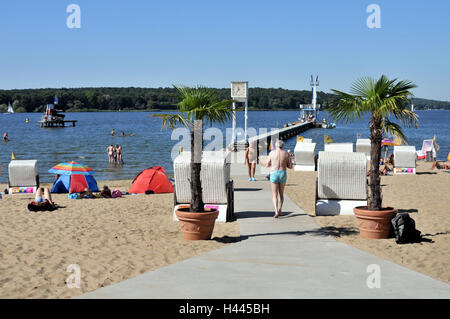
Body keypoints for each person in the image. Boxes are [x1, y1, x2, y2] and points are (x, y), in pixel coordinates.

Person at [266, 140, 293, 218]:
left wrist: (272, 164)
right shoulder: (286, 154)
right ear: (283, 146)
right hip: (282, 173)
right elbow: (290, 166)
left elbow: (267, 164)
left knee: (274, 194)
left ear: (276, 146)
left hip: (274, 173)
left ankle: (276, 211)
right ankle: (280, 210)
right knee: (281, 193)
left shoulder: (271, 153)